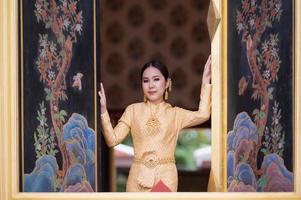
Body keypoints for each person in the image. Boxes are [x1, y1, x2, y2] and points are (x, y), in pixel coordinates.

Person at [98, 55, 212, 192]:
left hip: (165, 177)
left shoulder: (175, 114)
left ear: (167, 83)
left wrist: (206, 81)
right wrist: (104, 111)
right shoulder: (133, 110)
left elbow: (203, 114)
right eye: (146, 81)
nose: (151, 85)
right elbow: (112, 140)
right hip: (137, 177)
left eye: (156, 79)